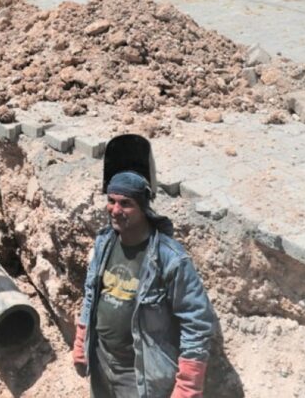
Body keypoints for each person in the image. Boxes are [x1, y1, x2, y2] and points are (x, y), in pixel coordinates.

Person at [73, 134, 216, 398]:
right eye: (111, 200)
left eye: (125, 203)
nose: (115, 210)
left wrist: (188, 384)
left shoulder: (169, 258)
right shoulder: (105, 242)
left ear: (143, 207)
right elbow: (91, 292)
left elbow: (197, 321)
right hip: (102, 362)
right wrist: (82, 339)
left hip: (140, 375)